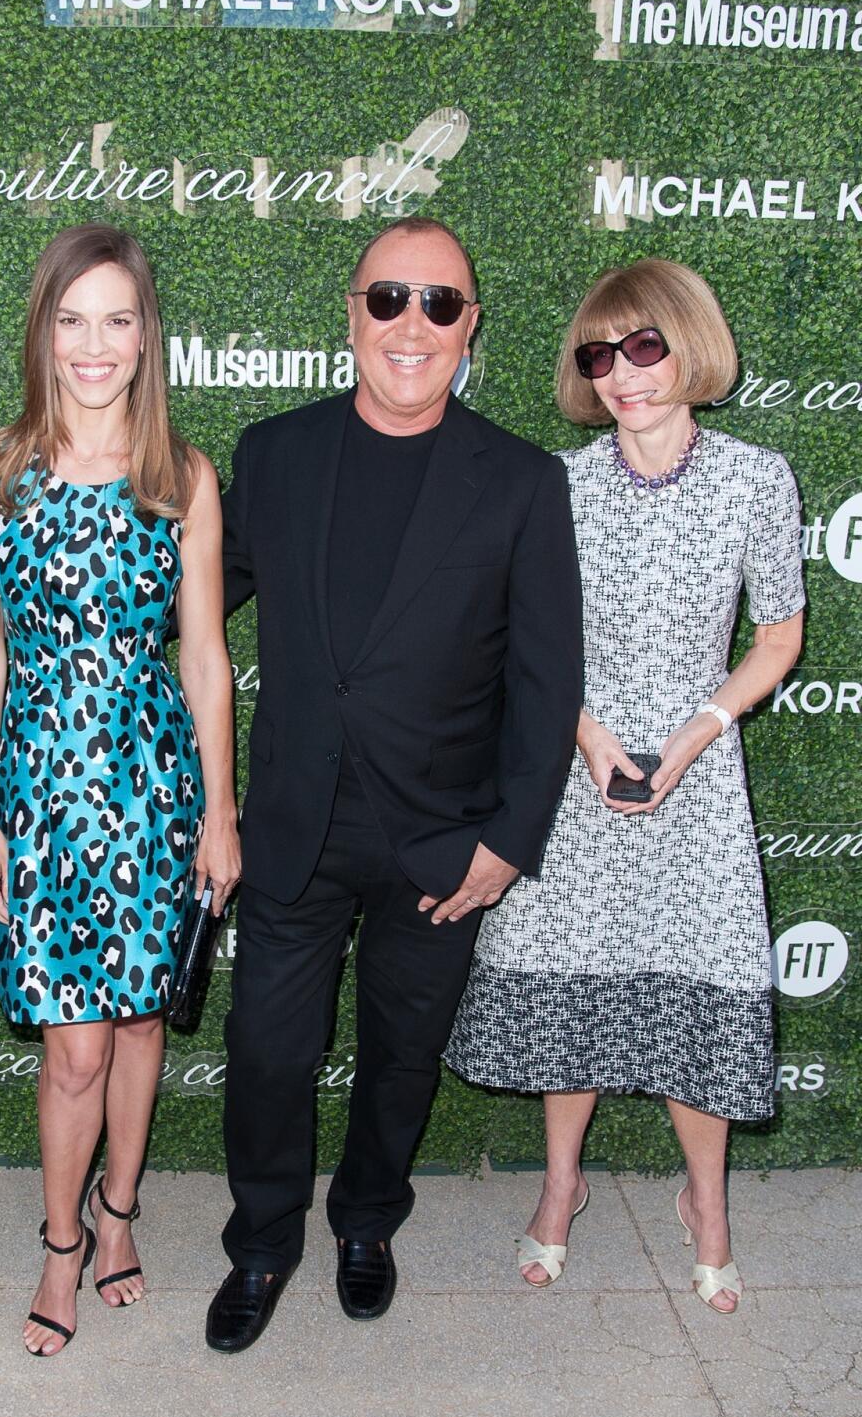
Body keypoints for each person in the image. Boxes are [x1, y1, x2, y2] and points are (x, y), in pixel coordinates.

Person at [205, 215, 584, 1353]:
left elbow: (546, 677)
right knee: (270, 1049)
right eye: (387, 299)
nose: (410, 324)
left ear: (469, 328)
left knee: (402, 1055)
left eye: (439, 303)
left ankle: (367, 1221)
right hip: (295, 826)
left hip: (443, 842)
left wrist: (510, 843)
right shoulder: (274, 453)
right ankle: (264, 1245)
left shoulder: (520, 482)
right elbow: (192, 612)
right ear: (352, 313)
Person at [447, 258, 805, 1314]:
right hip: (579, 770)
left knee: (702, 990)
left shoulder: (757, 479)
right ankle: (562, 1188)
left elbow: (777, 636)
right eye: (601, 355)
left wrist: (693, 737)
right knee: (576, 987)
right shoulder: (558, 485)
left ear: (689, 345)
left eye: (644, 347)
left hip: (700, 779)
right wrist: (593, 742)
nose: (622, 375)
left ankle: (709, 1204)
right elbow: (525, 646)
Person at [0, 223, 239, 1357]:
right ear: (43, 331)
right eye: (73, 319)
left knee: (137, 1022)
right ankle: (62, 1244)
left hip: (154, 789)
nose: (94, 344)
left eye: (117, 319)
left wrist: (220, 812)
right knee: (75, 1044)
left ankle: (120, 1216)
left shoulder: (181, 478)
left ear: (145, 335)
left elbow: (206, 659)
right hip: (41, 792)